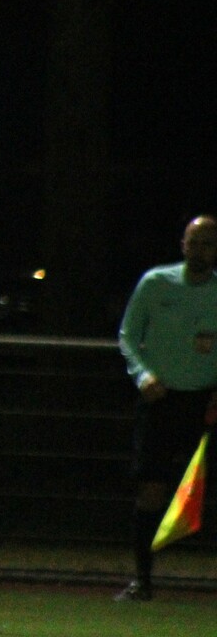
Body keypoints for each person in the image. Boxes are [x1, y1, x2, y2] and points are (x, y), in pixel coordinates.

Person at [114, 214, 217, 602]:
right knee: (151, 490)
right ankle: (142, 580)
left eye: (208, 243)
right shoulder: (156, 283)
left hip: (204, 403)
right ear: (183, 245)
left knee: (201, 491)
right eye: (194, 242)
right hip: (160, 401)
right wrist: (143, 376)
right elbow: (128, 334)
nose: (200, 250)